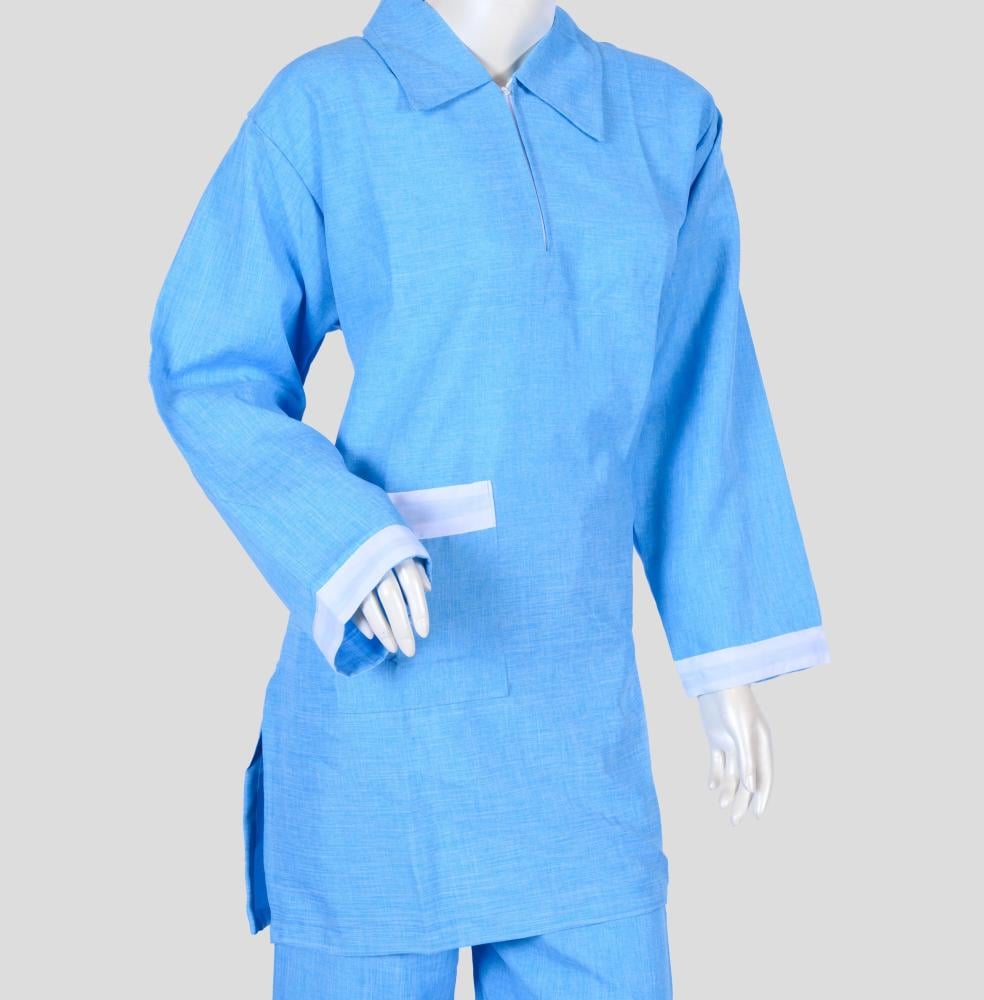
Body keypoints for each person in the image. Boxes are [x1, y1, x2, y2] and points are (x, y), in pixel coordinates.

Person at [148, 1, 829, 996]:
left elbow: (695, 396)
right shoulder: (326, 107)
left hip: (577, 730)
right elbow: (208, 367)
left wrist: (725, 659)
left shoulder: (663, 121)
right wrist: (343, 539)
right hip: (381, 720)